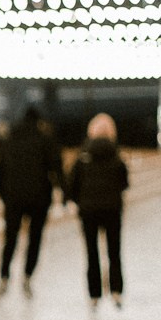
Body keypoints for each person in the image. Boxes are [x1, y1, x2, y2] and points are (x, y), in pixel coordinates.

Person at [0, 104, 64, 295]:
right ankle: (27, 275)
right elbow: (56, 167)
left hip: (14, 198)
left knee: (10, 238)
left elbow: (0, 171)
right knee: (35, 238)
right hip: (39, 199)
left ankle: (4, 275)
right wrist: (64, 192)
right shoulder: (45, 139)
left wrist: (4, 194)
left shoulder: (10, 139)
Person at [66, 113, 130, 307]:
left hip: (88, 210)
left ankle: (94, 294)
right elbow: (124, 183)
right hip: (112, 209)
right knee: (114, 251)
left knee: (91, 252)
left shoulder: (83, 156)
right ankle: (116, 290)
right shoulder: (117, 156)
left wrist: (79, 201)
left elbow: (72, 184)